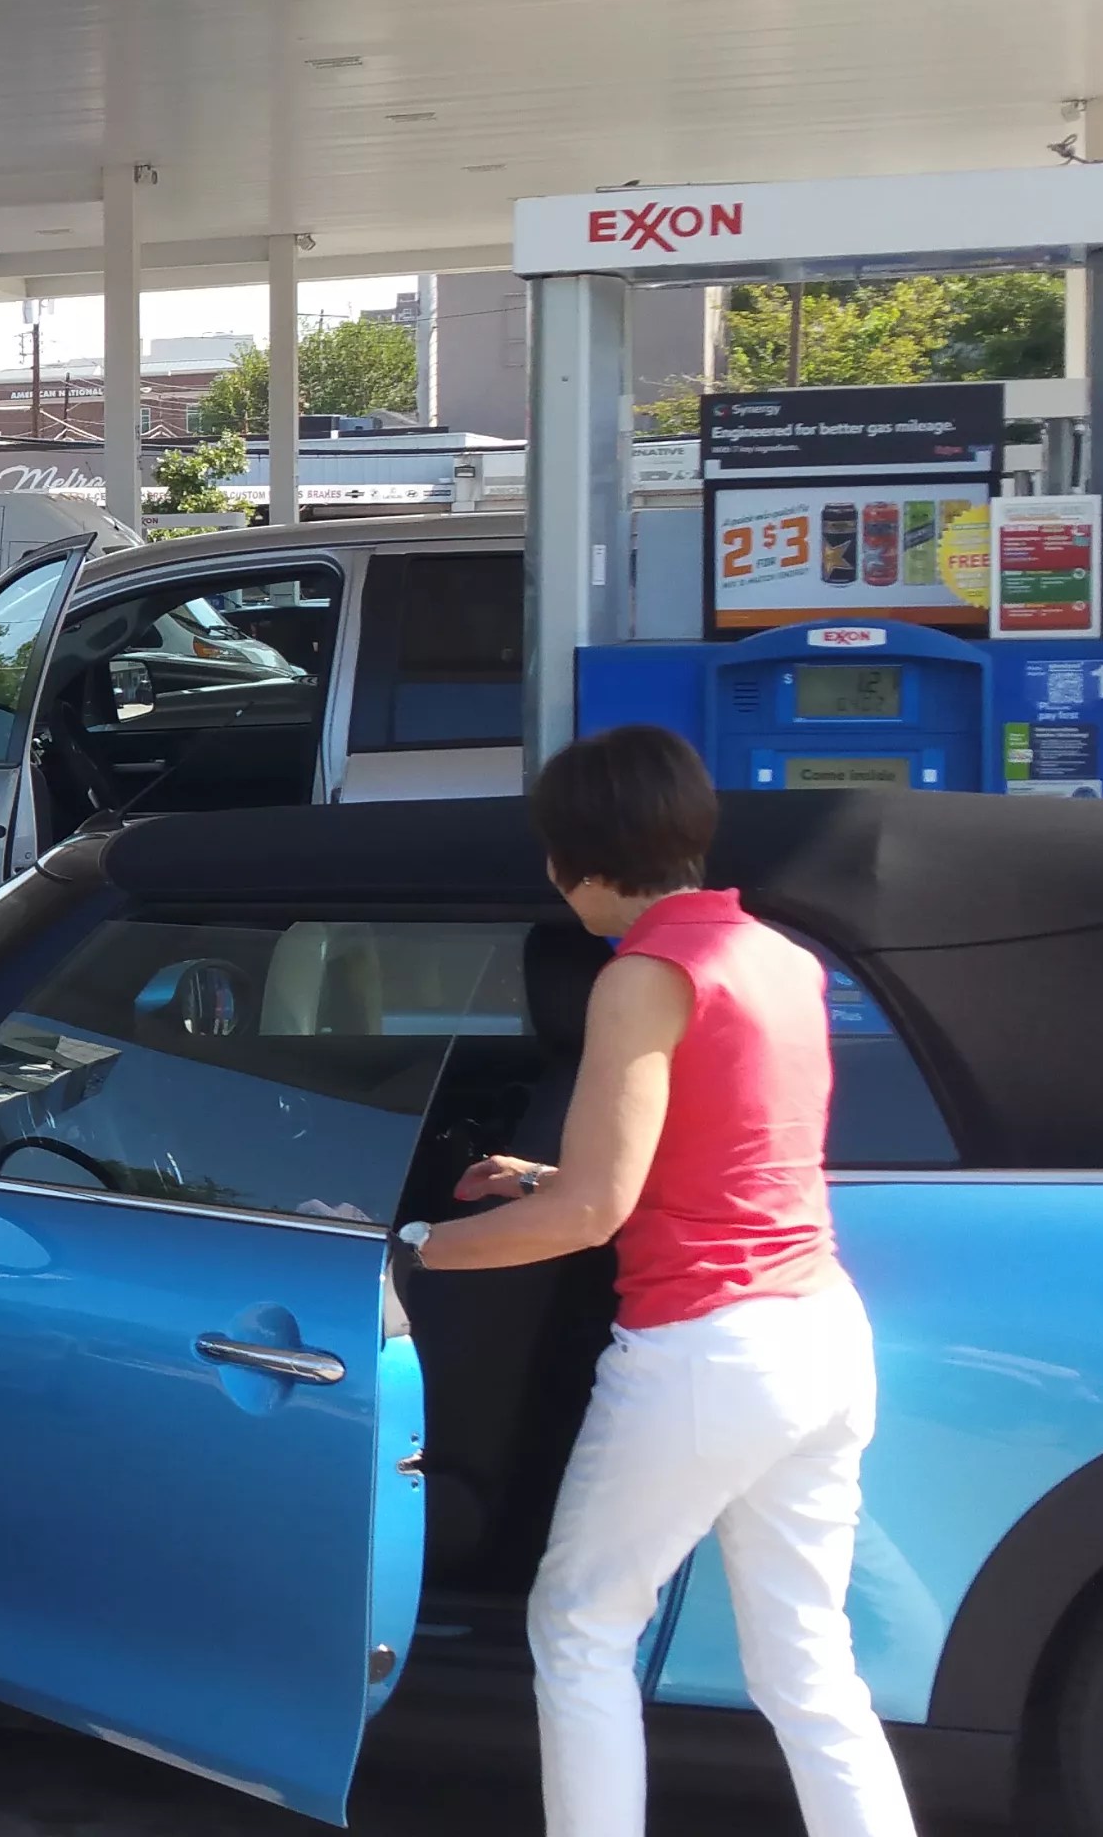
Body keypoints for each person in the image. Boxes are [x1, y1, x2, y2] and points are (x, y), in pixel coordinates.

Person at [404, 725, 911, 1837]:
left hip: (704, 1352)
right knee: (808, 1667)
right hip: (822, 1336)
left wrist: (411, 1251)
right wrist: (543, 1175)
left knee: (580, 1626)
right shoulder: (780, 958)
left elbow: (592, 1215)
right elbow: (722, 1158)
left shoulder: (641, 975)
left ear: (571, 858)